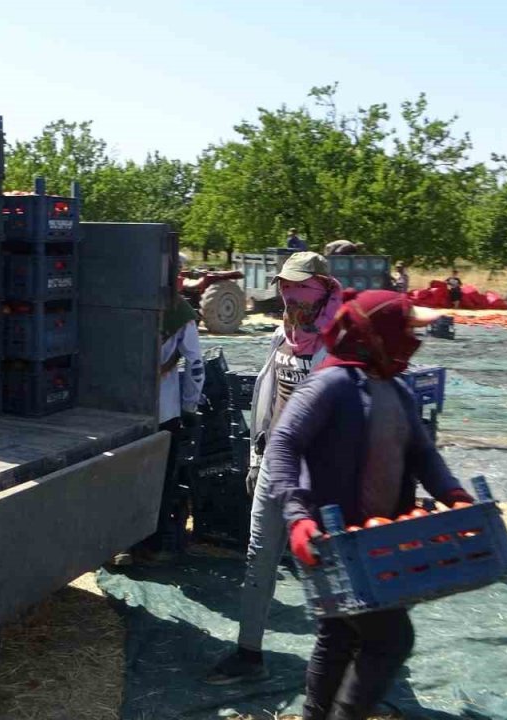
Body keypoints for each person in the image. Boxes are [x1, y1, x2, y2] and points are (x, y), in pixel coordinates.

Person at [268, 290, 475, 720]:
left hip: (379, 542)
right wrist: (297, 518)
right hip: (335, 542)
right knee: (390, 640)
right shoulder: (331, 384)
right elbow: (284, 443)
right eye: (404, 330)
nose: (412, 341)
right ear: (376, 335)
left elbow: (422, 454)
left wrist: (453, 495)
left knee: (339, 634)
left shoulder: (395, 389)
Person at [206, 251, 342, 685]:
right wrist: (254, 457)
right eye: (285, 288)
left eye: (301, 289)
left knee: (325, 568)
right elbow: (266, 403)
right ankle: (249, 655)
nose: (291, 297)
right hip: (272, 467)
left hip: (316, 476)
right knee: (258, 559)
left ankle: (339, 663)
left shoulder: (339, 345)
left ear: (323, 288)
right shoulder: (281, 337)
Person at [115, 253, 205, 565]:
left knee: (123, 478)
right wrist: (189, 405)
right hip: (165, 412)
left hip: (123, 410)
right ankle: (149, 547)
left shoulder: (123, 302)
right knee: (160, 482)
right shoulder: (180, 310)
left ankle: (118, 545)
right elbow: (195, 364)